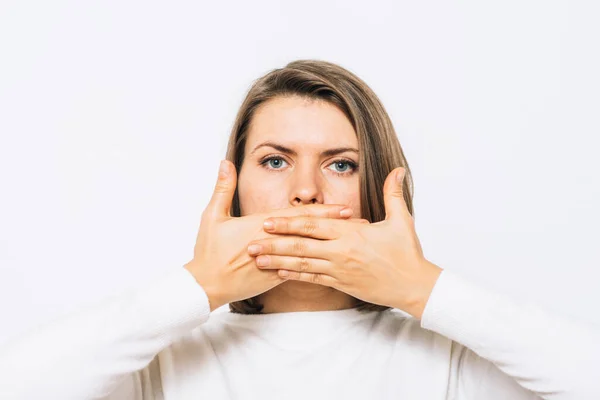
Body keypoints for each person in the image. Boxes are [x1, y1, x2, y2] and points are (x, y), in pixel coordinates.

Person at [0, 59, 598, 400]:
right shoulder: (163, 363)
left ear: (376, 186)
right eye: (275, 160)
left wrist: (421, 287)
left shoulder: (448, 360)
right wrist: (197, 286)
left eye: (341, 164)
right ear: (232, 185)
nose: (306, 190)